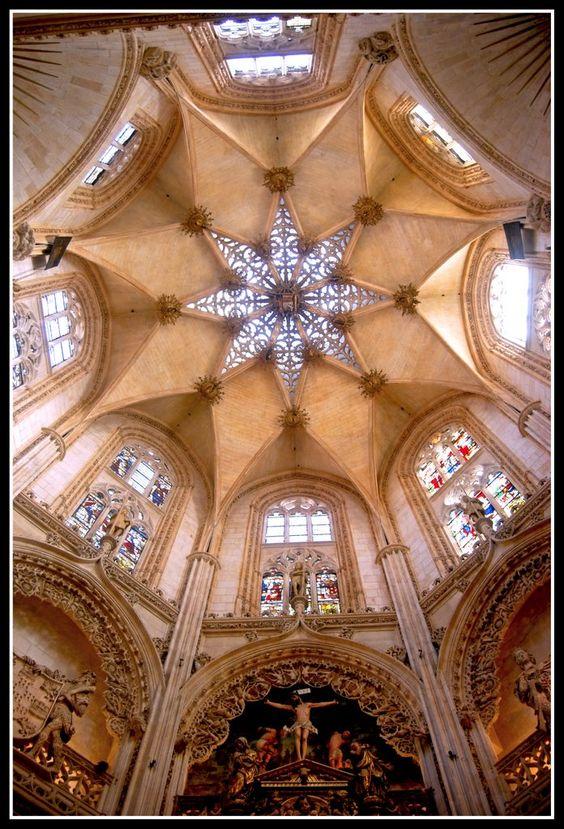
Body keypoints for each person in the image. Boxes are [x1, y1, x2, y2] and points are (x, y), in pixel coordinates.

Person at [264, 692, 338, 761]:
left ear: (298, 696)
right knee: (298, 736)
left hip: (307, 723)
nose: (293, 699)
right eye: (292, 698)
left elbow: (320, 704)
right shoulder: (293, 707)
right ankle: (299, 757)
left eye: (294, 697)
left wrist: (332, 702)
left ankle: (303, 757)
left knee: (304, 738)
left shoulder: (308, 705)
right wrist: (269, 702)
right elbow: (281, 706)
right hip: (298, 723)